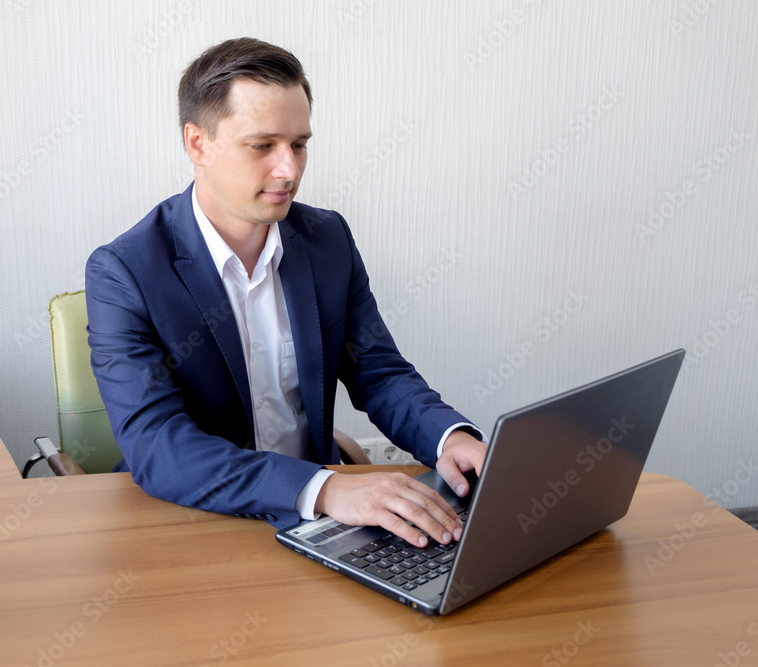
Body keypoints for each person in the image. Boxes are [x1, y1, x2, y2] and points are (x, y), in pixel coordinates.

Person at [86, 37, 486, 548]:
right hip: (195, 522)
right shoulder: (123, 272)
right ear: (197, 144)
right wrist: (324, 488)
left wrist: (450, 438)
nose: (289, 170)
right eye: (263, 146)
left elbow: (378, 373)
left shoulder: (327, 239)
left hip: (320, 525)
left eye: (299, 144)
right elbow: (157, 446)